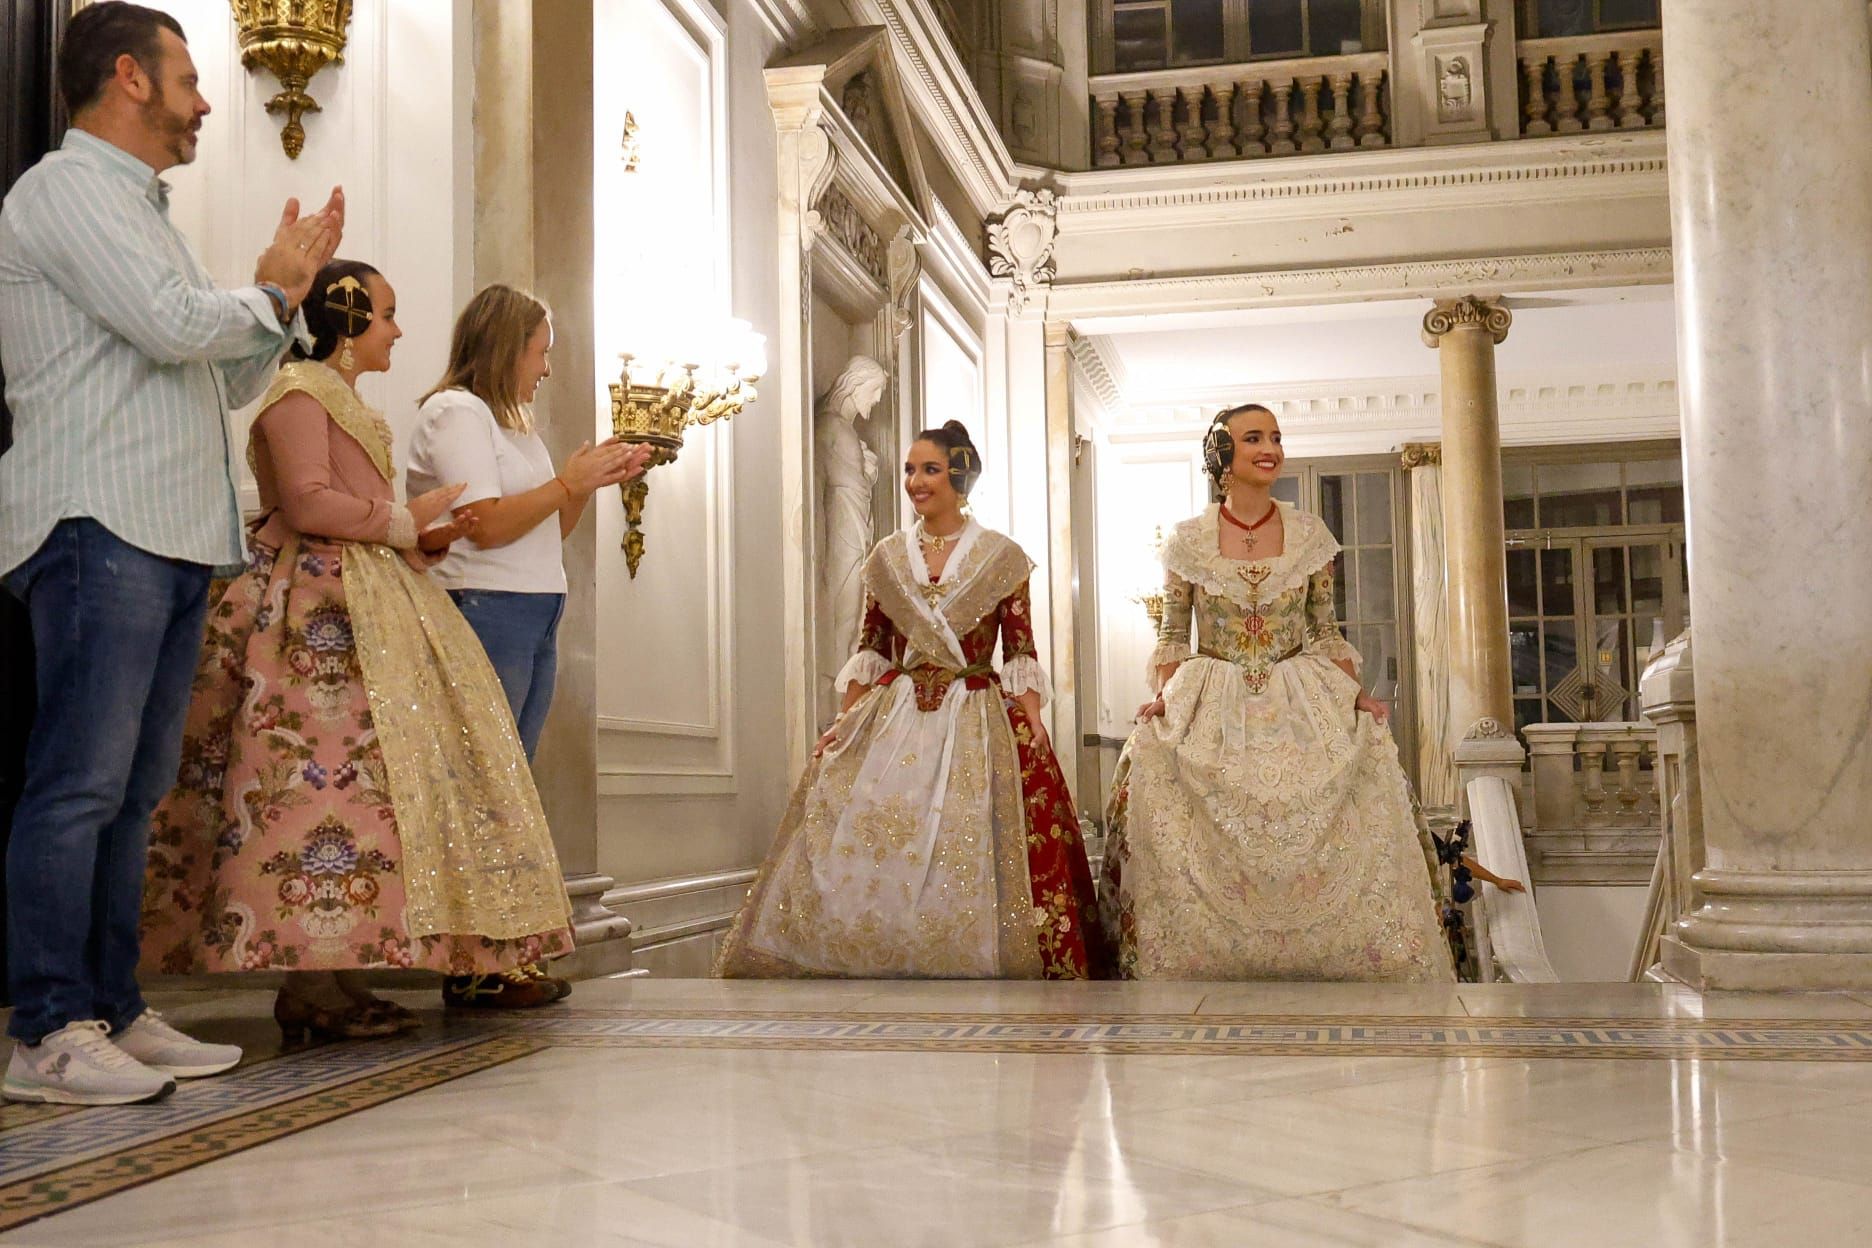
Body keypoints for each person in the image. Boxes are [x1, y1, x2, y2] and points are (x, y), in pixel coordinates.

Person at [0, 1, 343, 1105]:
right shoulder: (62, 192)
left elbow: (216, 374)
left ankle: (114, 1007)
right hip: (96, 519)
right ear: (128, 79)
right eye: (189, 80)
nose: (203, 105)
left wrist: (267, 303)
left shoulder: (146, 216)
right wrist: (274, 289)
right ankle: (44, 1027)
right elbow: (169, 323)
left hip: (170, 532)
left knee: (134, 790)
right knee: (79, 786)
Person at [140, 261, 575, 1041]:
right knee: (309, 799)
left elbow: (353, 508)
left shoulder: (337, 398)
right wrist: (404, 521)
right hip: (308, 624)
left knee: (353, 802)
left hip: (360, 601)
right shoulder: (300, 393)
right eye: (385, 315)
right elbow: (307, 501)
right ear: (344, 319)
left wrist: (422, 531)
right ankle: (308, 986)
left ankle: (334, 977)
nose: (398, 331)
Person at [717, 422, 1105, 979]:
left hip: (975, 712)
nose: (915, 481)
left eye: (929, 469)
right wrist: (844, 722)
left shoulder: (1002, 557)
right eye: (909, 470)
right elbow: (871, 647)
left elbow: (1020, 649)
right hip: (893, 713)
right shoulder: (887, 558)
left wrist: (1033, 721)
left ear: (959, 473)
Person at [1100, 403, 1461, 982]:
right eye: (1253, 438)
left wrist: (1356, 696)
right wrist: (1166, 699)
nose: (1269, 448)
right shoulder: (1188, 540)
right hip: (1212, 691)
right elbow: (1173, 632)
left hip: (1299, 692)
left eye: (1275, 437)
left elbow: (1324, 627)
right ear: (1223, 454)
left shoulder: (1309, 533)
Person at [407, 284, 649, 763]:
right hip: (485, 606)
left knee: (514, 773)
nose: (546, 368)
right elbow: (486, 525)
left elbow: (547, 529)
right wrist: (564, 484)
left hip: (533, 613)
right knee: (484, 772)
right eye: (541, 353)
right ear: (506, 350)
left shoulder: (515, 425)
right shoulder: (456, 412)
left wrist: (583, 484)